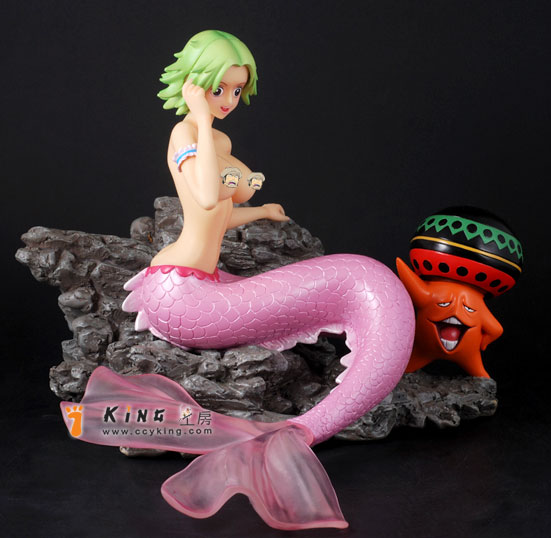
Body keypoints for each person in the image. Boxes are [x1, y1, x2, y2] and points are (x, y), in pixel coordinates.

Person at [152, 29, 288, 274]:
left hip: (205, 272)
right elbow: (206, 198)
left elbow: (217, 219)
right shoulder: (183, 133)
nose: (229, 101)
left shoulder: (220, 141)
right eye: (218, 90)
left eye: (237, 90)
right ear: (192, 84)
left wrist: (263, 211)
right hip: (180, 270)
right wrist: (203, 119)